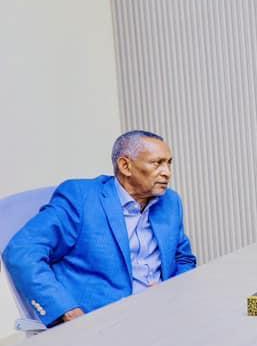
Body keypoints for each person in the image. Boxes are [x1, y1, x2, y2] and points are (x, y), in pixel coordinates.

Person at [3, 130, 197, 326]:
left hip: (161, 313)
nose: (167, 172)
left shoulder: (170, 202)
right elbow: (21, 251)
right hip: (103, 322)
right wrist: (65, 310)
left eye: (169, 163)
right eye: (157, 163)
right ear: (125, 166)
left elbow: (183, 258)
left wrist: (170, 291)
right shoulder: (80, 198)